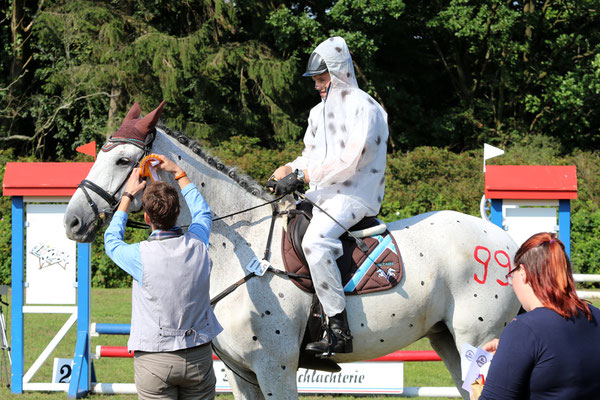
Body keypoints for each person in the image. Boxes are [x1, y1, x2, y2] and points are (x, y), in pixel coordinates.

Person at [268, 36, 389, 355]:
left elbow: (350, 160)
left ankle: (338, 329)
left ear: (339, 73)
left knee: (315, 242)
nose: (318, 86)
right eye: (316, 81)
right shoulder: (317, 113)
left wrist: (303, 176)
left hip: (357, 194)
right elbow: (310, 156)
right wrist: (287, 168)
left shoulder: (365, 107)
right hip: (324, 194)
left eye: (323, 79)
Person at [104, 154, 222, 400]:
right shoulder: (198, 242)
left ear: (147, 218)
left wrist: (127, 197)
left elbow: (111, 241)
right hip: (198, 355)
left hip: (154, 359)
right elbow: (203, 213)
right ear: (178, 213)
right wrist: (179, 173)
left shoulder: (139, 255)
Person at [476, 232, 600, 399]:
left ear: (523, 273)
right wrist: (512, 350)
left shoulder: (523, 329)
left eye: (512, 274)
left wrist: (477, 384)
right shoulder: (596, 316)